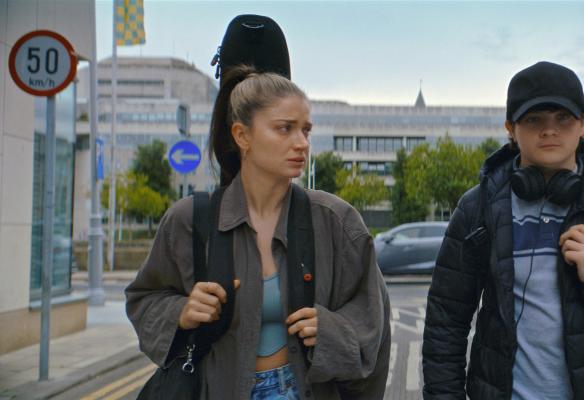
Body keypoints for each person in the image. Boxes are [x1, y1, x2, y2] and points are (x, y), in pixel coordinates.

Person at [126, 66, 391, 399]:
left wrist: (332, 331)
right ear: (242, 136)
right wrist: (180, 311)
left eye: (306, 131)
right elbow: (144, 299)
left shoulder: (335, 220)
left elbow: (372, 315)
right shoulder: (190, 220)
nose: (302, 144)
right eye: (285, 129)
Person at [422, 61, 584, 399]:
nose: (549, 130)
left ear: (583, 123)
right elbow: (445, 322)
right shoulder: (477, 208)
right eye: (534, 119)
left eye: (563, 118)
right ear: (511, 128)